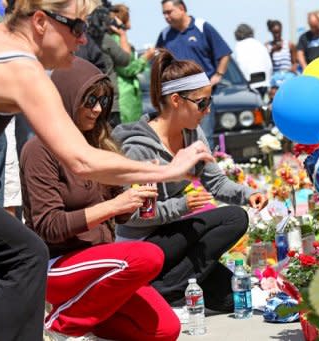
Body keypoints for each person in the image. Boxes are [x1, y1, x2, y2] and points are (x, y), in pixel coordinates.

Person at [0, 0, 212, 339]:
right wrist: (168, 170)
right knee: (26, 256)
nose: (82, 40)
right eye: (77, 27)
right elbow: (82, 160)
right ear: (41, 21)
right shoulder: (20, 66)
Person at [20, 57, 180, 340]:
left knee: (166, 330)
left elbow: (120, 216)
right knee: (148, 256)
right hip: (57, 265)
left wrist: (135, 198)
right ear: (67, 98)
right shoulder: (39, 149)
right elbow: (48, 225)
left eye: (103, 102)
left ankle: (88, 326)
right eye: (90, 99)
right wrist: (114, 205)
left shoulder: (98, 145)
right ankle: (58, 325)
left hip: (101, 264)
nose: (97, 109)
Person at [113, 49, 269, 313]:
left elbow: (217, 183)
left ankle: (164, 287)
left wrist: (248, 193)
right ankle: (167, 291)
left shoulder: (192, 134)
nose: (207, 111)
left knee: (230, 299)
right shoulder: (139, 148)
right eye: (202, 103)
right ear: (176, 100)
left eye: (209, 102)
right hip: (142, 244)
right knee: (234, 218)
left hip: (174, 238)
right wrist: (182, 206)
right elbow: (135, 214)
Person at [156, 0, 232, 148]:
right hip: (176, 97)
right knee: (180, 138)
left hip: (201, 96)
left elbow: (224, 53)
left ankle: (204, 169)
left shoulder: (202, 27)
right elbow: (158, 61)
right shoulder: (165, 34)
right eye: (164, 13)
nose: (166, 16)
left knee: (203, 137)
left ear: (182, 8)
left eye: (169, 12)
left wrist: (218, 74)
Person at [110, 4, 155, 123]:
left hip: (128, 94)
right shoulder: (117, 38)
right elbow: (127, 68)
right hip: (124, 95)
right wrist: (146, 57)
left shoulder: (118, 38)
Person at [234, 23, 272, 99]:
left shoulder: (239, 46)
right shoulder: (259, 44)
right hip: (264, 81)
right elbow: (269, 64)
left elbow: (239, 65)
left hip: (249, 83)